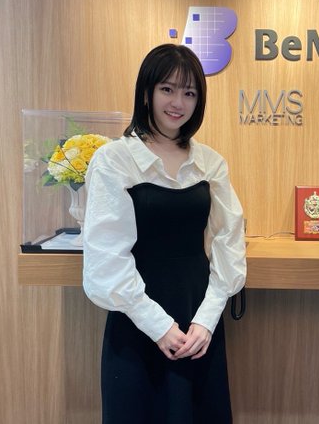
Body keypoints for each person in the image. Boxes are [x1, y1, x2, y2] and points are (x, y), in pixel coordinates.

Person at [82, 44, 246, 423]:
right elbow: (107, 256)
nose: (178, 103)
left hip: (198, 315)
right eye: (167, 89)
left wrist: (206, 320)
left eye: (189, 93)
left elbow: (229, 239)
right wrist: (159, 327)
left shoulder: (210, 162)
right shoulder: (114, 159)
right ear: (147, 92)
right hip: (136, 318)